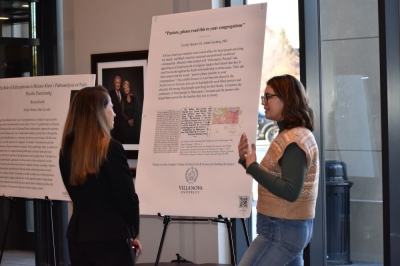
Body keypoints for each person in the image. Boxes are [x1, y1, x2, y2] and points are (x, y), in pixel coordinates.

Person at [237, 74, 319, 266]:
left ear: (286, 98)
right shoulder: (294, 135)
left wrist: (252, 167)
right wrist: (245, 161)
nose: (264, 102)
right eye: (263, 98)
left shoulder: (293, 141)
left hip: (281, 231)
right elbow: (276, 176)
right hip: (287, 229)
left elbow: (290, 191)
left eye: (268, 97)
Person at [59, 86, 141, 266]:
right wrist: (131, 232)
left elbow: (78, 196)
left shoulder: (66, 152)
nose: (115, 113)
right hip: (111, 241)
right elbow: (127, 198)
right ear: (98, 113)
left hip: (78, 239)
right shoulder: (112, 149)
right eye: (111, 107)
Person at [109, 76, 123, 142]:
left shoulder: (123, 94)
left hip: (122, 124)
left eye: (119, 83)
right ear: (114, 83)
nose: (118, 84)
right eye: (116, 82)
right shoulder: (110, 94)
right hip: (114, 124)